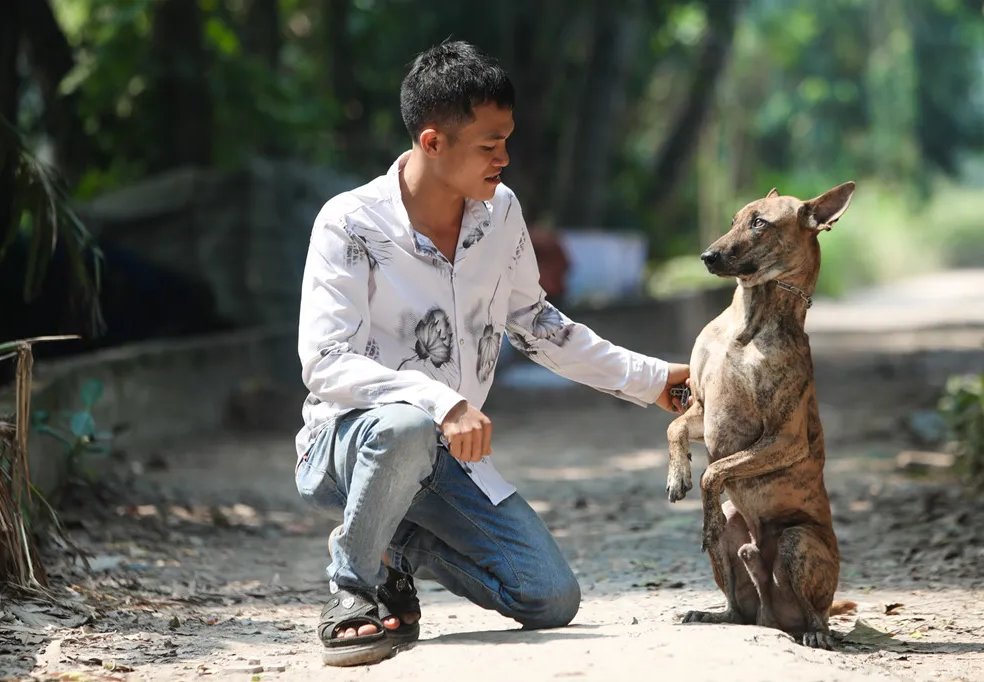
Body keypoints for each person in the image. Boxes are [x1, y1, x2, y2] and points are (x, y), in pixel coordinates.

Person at [294, 40, 691, 667]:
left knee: (550, 598)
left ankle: (397, 546)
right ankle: (353, 590)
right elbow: (326, 361)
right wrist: (442, 402)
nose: (505, 158)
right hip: (347, 446)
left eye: (507, 140)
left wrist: (653, 380)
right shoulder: (349, 223)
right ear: (433, 143)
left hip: (445, 456)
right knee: (403, 425)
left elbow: (536, 323)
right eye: (490, 144)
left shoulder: (499, 213)